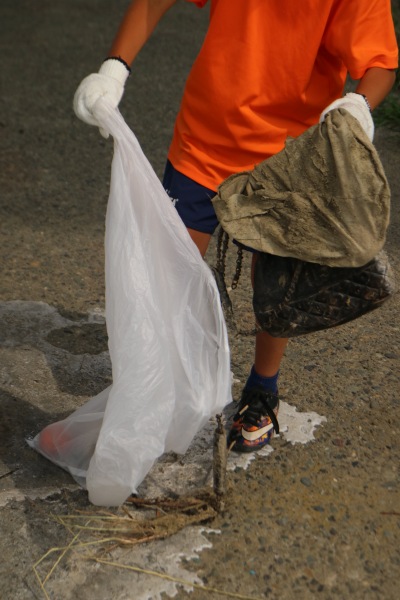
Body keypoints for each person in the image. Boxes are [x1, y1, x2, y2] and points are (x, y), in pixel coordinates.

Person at [74, 0, 398, 453]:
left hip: (291, 154)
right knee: (163, 272)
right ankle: (147, 391)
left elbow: (380, 62)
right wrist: (114, 67)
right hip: (204, 140)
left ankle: (263, 390)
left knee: (280, 281)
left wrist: (359, 104)